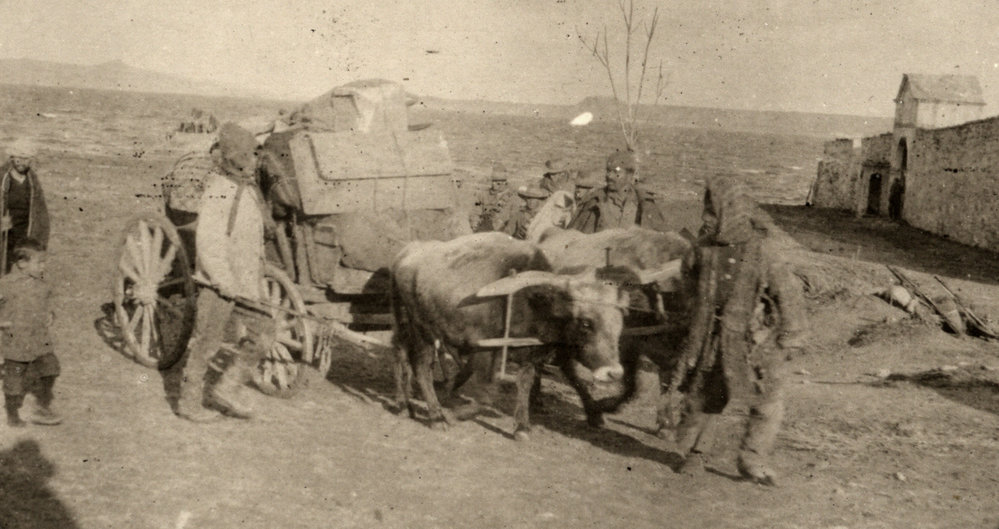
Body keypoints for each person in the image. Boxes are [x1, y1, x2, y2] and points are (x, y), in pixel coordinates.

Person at [669, 175, 806, 486]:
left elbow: (788, 292)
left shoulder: (763, 252)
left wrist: (792, 335)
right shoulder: (702, 248)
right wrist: (697, 310)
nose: (706, 217)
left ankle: (752, 458)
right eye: (706, 209)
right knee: (707, 394)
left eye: (712, 211)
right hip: (710, 339)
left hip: (755, 341)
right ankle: (696, 454)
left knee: (767, 401)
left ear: (731, 211)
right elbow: (686, 278)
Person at [176, 123, 272, 423]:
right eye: (249, 155)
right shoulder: (218, 191)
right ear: (234, 158)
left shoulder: (250, 190)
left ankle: (227, 388)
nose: (255, 161)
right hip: (218, 285)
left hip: (246, 283)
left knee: (266, 335)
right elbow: (208, 241)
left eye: (255, 155)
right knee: (207, 343)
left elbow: (252, 237)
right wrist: (222, 279)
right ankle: (189, 403)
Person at [0, 240, 61, 427]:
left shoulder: (42, 284)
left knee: (51, 368)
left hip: (39, 338)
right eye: (39, 262)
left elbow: (49, 300)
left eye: (44, 262)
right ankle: (12, 414)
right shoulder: (7, 284)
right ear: (22, 263)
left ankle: (41, 407)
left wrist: (51, 313)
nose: (44, 266)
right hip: (15, 340)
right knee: (14, 379)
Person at [567, 150, 668, 233]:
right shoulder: (594, 201)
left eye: (616, 172)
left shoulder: (644, 203)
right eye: (608, 171)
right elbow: (574, 237)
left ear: (629, 175)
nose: (609, 176)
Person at [0, 140, 50, 273]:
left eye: (25, 158)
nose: (21, 161)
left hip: (24, 231)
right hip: (5, 232)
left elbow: (41, 213)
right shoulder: (2, 179)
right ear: (11, 158)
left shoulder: (33, 182)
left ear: (31, 160)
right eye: (17, 157)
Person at [474, 163, 517, 232]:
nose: (496, 184)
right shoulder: (482, 194)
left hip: (501, 231)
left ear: (505, 183)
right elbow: (475, 211)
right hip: (483, 228)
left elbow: (513, 219)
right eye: (494, 181)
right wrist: (475, 223)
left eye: (499, 182)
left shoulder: (512, 197)